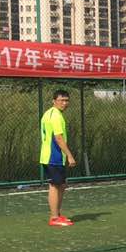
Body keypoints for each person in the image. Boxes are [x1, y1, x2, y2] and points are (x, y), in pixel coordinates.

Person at [39, 89, 76, 227]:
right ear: (54, 101)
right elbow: (58, 138)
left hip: (51, 156)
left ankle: (57, 215)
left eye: (66, 100)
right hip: (53, 156)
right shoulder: (55, 116)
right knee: (55, 186)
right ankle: (54, 218)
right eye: (61, 100)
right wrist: (70, 156)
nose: (64, 103)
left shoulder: (49, 113)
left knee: (61, 185)